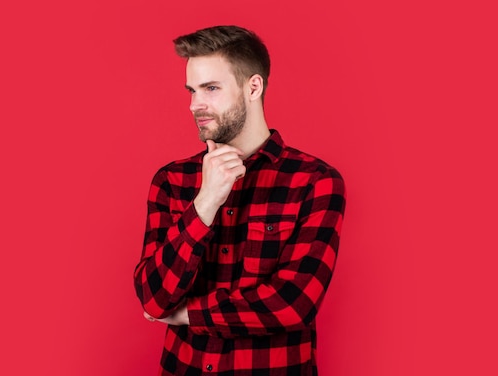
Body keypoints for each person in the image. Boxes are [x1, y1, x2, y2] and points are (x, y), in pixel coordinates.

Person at [134, 25, 346, 376]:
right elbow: (154, 298)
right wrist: (205, 203)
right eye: (191, 90)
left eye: (211, 88)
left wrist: (188, 315)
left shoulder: (315, 182)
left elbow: (293, 302)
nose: (194, 105)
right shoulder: (172, 181)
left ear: (253, 87)